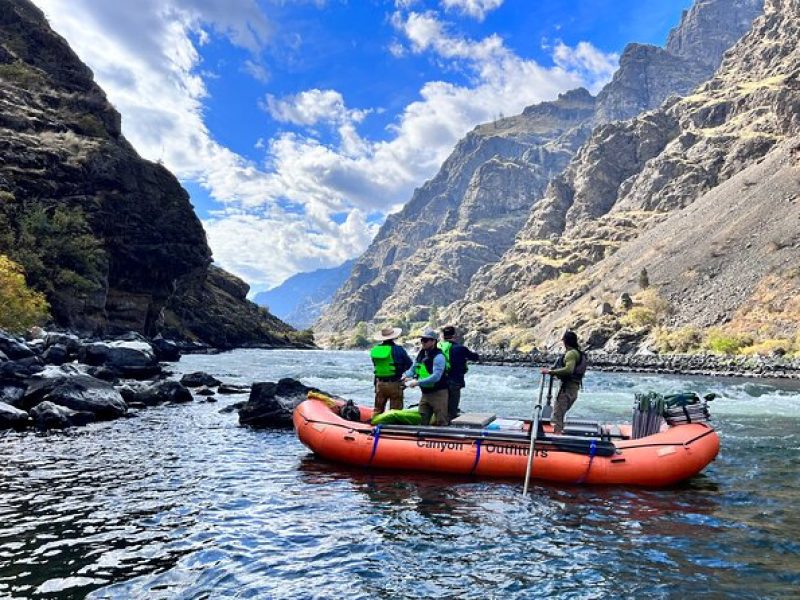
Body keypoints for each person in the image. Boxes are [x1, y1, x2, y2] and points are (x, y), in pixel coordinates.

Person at [541, 330, 587, 435]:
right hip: (574, 389)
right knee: (560, 415)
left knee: (557, 416)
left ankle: (557, 438)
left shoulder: (570, 354)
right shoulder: (577, 353)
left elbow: (569, 370)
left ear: (565, 341)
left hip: (566, 390)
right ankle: (559, 433)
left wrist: (550, 372)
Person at [402, 328, 450, 426]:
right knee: (422, 420)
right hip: (425, 394)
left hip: (439, 394)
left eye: (425, 340)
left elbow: (436, 377)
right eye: (422, 340)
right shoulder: (421, 354)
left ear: (433, 341)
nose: (423, 342)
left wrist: (417, 382)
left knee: (441, 421)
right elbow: (412, 370)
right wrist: (404, 376)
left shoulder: (439, 356)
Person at [438, 325, 480, 421]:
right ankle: (448, 429)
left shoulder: (438, 347)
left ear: (443, 336)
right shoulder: (460, 348)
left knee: (441, 407)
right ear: (454, 335)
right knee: (452, 409)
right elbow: (475, 357)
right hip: (455, 381)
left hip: (439, 382)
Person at [370, 326, 413, 415]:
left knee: (377, 410)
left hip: (380, 384)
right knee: (395, 412)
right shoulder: (399, 349)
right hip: (395, 384)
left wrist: (376, 385)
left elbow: (376, 366)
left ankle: (374, 426)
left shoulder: (375, 350)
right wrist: (400, 372)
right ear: (394, 337)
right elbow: (409, 364)